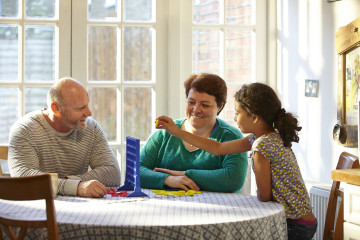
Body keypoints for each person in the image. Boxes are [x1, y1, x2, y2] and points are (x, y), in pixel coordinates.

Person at [156, 82, 317, 239]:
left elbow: (264, 195)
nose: (234, 118)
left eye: (237, 113)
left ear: (254, 117)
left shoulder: (261, 146)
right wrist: (177, 132)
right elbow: (218, 148)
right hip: (303, 220)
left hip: (295, 225)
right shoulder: (266, 137)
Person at [8, 77, 120, 198]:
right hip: (37, 209)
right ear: (56, 108)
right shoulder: (25, 129)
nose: (89, 113)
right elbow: (23, 178)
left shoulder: (91, 128)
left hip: (78, 209)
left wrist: (69, 182)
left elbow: (113, 174)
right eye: (81, 108)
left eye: (87, 105)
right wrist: (76, 187)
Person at [140, 73, 248, 193]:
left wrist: (188, 175)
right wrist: (168, 179)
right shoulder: (164, 133)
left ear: (219, 106)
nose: (196, 110)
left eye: (205, 105)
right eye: (191, 102)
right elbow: (135, 171)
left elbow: (233, 180)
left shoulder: (230, 136)